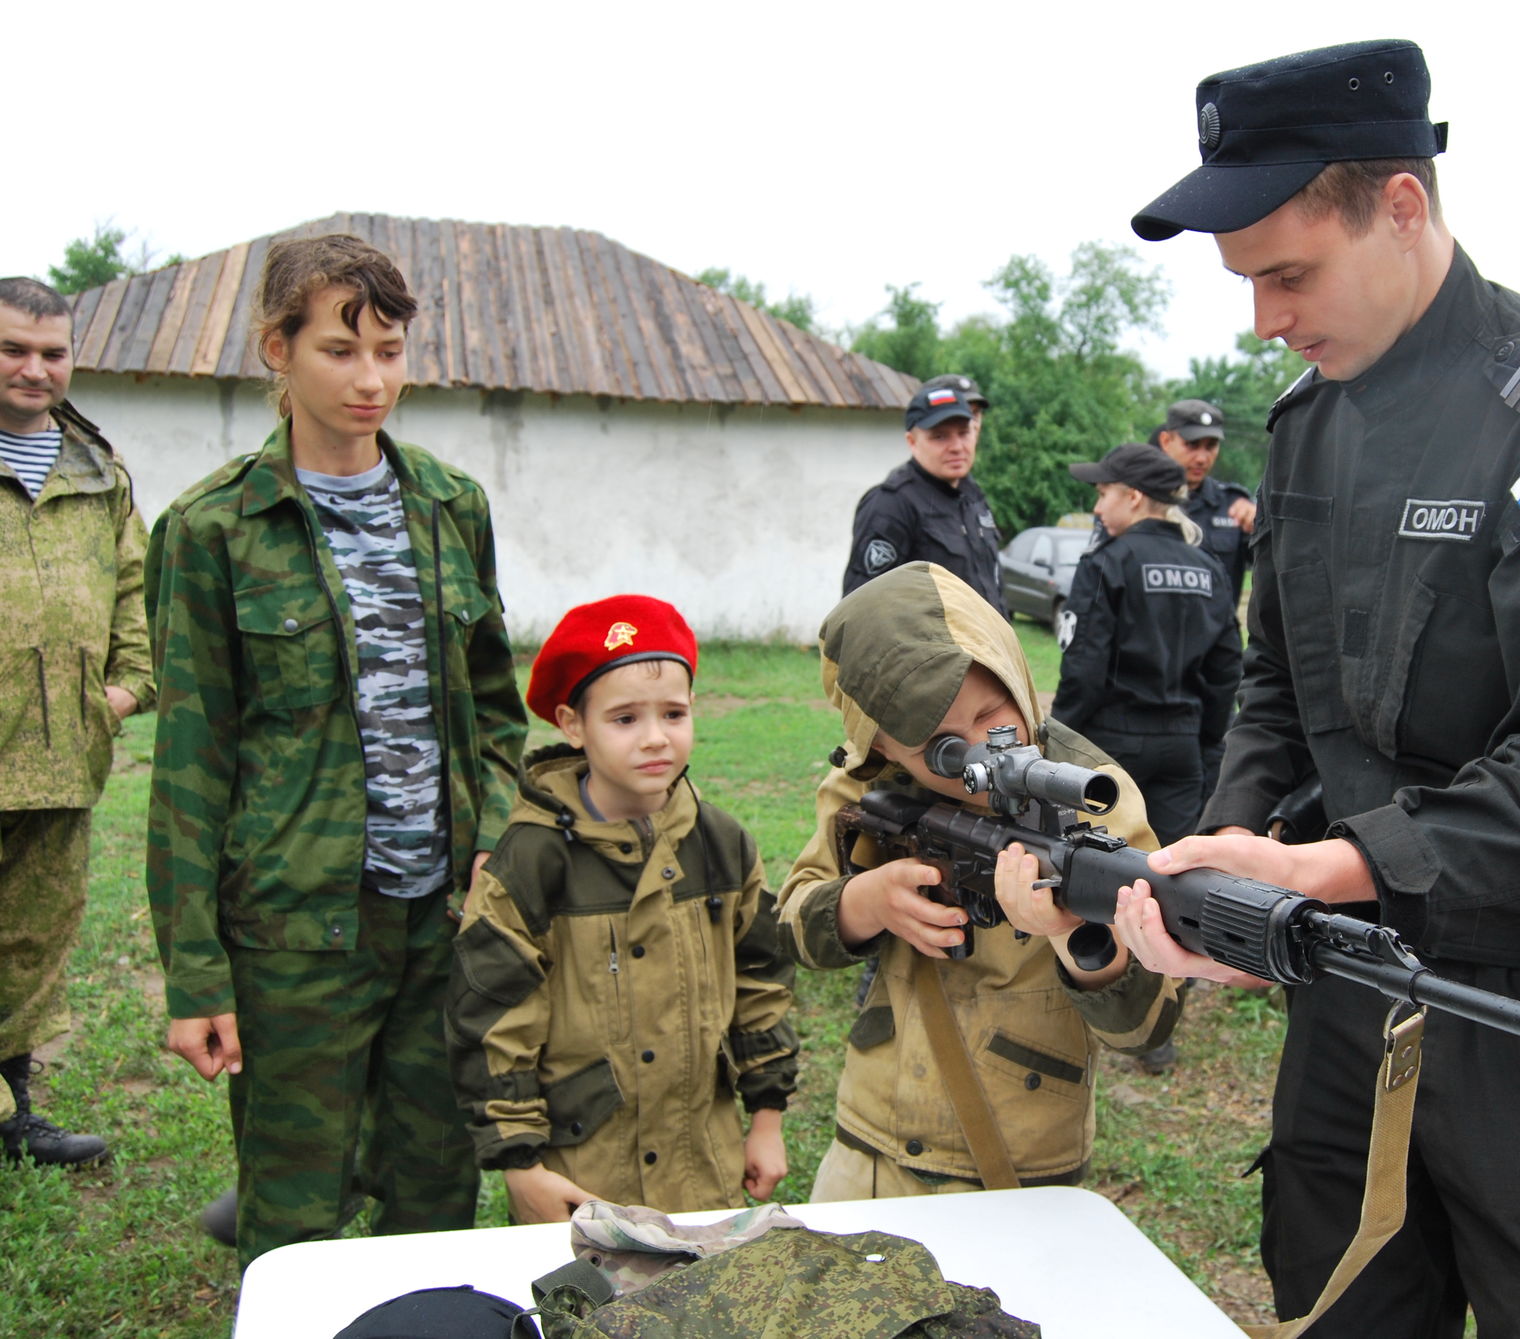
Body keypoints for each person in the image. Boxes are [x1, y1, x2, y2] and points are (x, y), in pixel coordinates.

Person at [1119, 39, 1520, 1337]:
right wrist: (1225, 868)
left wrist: (1326, 867)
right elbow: (1279, 686)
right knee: (1339, 1300)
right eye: (1246, 283)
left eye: (1288, 273)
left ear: (1400, 207)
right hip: (1352, 979)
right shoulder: (1310, 427)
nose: (1265, 319)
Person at [145, 234, 526, 1265]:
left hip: (440, 919)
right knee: (296, 1200)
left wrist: (490, 835)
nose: (371, 381)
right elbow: (189, 764)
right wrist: (196, 976)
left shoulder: (450, 507)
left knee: (436, 1184)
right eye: (340, 350)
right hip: (295, 929)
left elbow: (496, 711)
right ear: (278, 348)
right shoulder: (214, 529)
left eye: (390, 353)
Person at [777, 561, 1181, 1198]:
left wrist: (1073, 937)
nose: (984, 752)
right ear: (882, 750)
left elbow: (1142, 1028)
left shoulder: (1094, 799)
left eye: (995, 716)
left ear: (1018, 681)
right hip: (872, 1141)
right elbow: (792, 929)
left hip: (1020, 1160)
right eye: (942, 749)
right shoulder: (868, 788)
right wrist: (866, 902)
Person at [445, 595, 797, 1222]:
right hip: (582, 1182)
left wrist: (766, 1120)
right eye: (625, 718)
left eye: (674, 713)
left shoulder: (722, 844)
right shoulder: (532, 861)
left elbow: (761, 980)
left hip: (703, 1171)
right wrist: (522, 1167)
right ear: (573, 724)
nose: (656, 737)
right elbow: (495, 1019)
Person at [0, 277, 154, 1166]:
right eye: (13, 349)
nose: (35, 368)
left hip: (63, 755)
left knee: (31, 944)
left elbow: (135, 590)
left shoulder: (97, 470)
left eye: (52, 352)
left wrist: (126, 690)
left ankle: (13, 1114)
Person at [1049, 443, 1241, 845]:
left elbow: (1084, 668)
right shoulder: (1208, 568)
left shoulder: (1107, 560)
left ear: (1133, 496)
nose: (1097, 508)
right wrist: (1206, 744)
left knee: (1100, 866)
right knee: (1171, 867)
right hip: (1183, 749)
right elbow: (1225, 671)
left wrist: (1058, 740)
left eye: (1103, 494)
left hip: (1112, 746)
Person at [842, 381, 1007, 614]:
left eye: (964, 433)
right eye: (940, 436)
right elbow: (862, 610)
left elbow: (993, 585)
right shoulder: (892, 504)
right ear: (912, 442)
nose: (957, 446)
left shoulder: (973, 495)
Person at [1154, 399, 1255, 599]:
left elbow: (1273, 566)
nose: (1202, 458)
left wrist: (1262, 526)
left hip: (1217, 619)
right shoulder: (1141, 501)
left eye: (1211, 446)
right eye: (1191, 445)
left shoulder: (1234, 505)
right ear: (1166, 441)